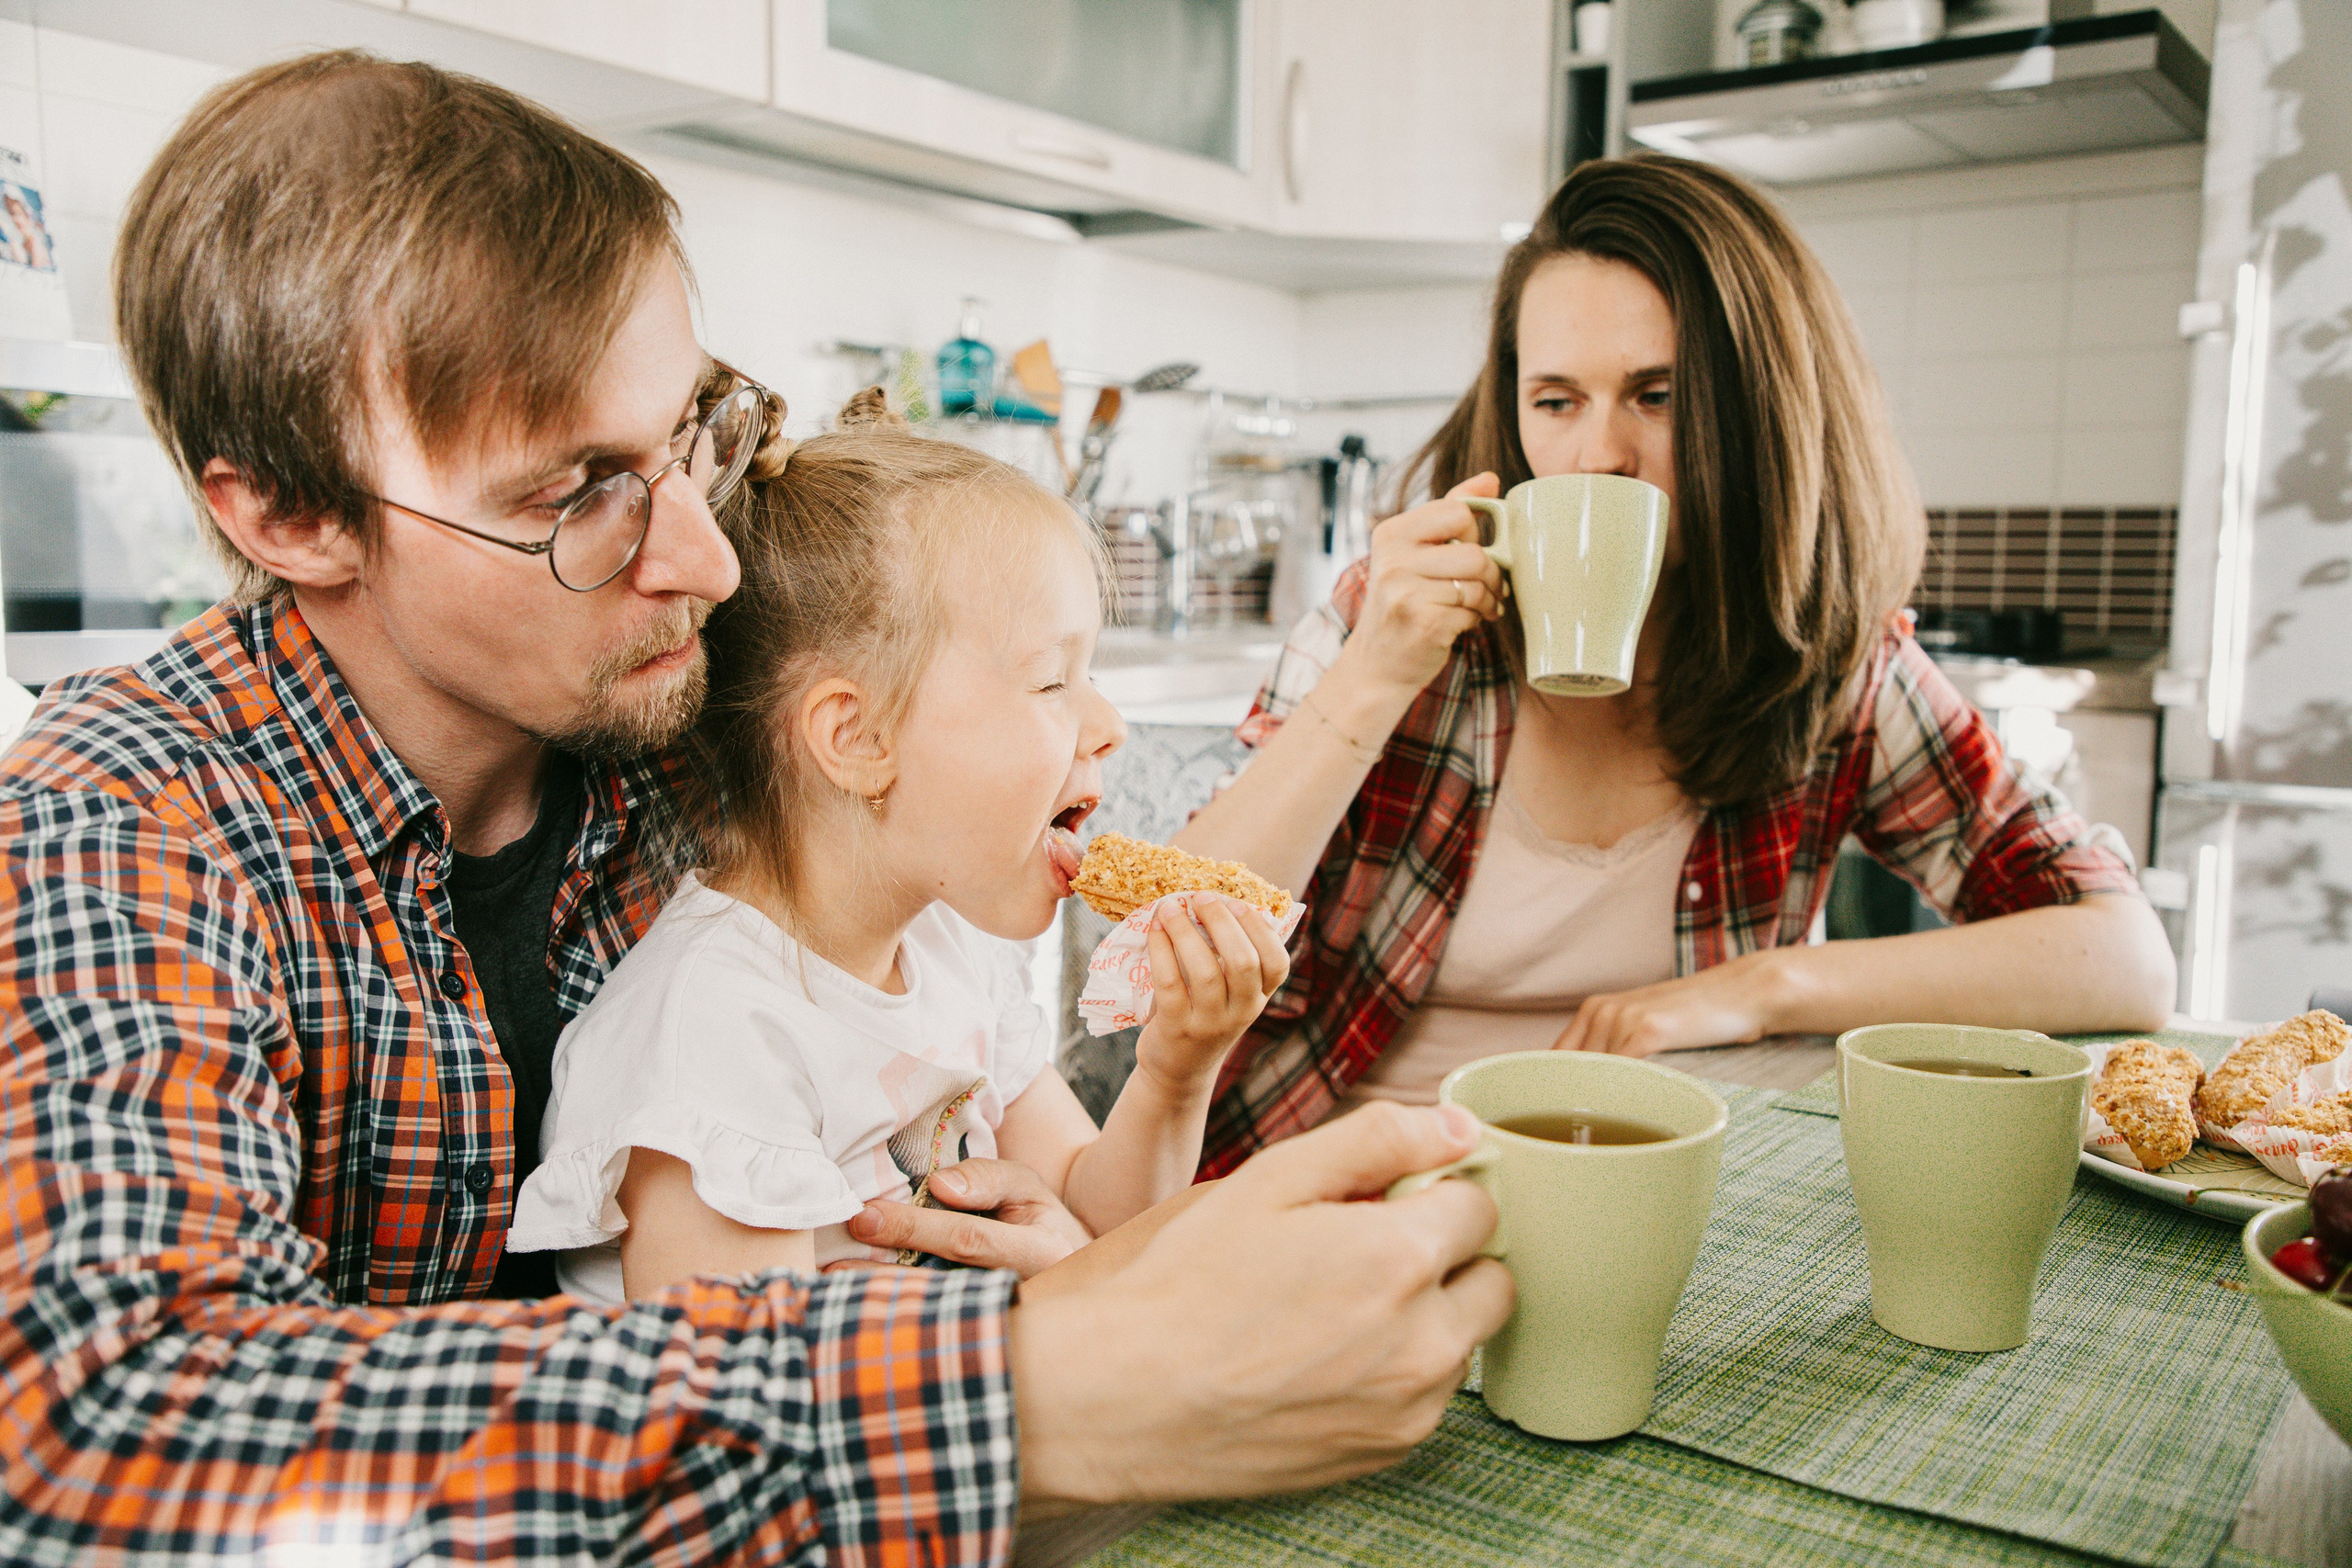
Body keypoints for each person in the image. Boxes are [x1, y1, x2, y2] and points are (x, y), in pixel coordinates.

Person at [0, 51, 1510, 1563]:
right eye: (575, 491)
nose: (704, 561)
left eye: (686, 437)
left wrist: (1076, 1255)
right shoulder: (113, 830)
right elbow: (108, 1434)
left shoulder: (688, 712)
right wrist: (1044, 1379)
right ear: (286, 512)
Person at [1176, 154, 2177, 1177]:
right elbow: (1173, 940)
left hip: (1670, 1191)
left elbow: (2122, 957)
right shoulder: (1389, 621)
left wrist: (1759, 988)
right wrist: (1373, 676)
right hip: (1346, 1179)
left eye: (1656, 396)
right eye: (1555, 401)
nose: (1596, 457)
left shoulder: (1825, 664)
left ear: (1759, 415)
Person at [508, 394, 1288, 1298]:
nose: (1107, 725)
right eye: (1051, 679)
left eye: (1093, 675)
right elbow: (747, 1413)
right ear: (859, 739)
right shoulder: (715, 1037)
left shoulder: (945, 950)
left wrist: (1178, 1065)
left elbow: (1100, 1222)